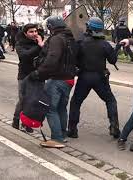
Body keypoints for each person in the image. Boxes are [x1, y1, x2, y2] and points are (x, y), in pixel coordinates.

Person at [68, 17, 121, 139]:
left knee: (76, 102)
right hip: (100, 78)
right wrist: (117, 48)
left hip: (84, 77)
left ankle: (72, 130)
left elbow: (73, 58)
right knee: (110, 100)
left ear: (88, 28)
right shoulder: (105, 44)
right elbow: (113, 60)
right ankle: (114, 127)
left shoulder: (80, 41)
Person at [28, 16, 77, 147]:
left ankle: (57, 139)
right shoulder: (69, 38)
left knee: (50, 108)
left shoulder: (56, 39)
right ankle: (62, 134)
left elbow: (52, 59)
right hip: (69, 79)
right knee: (61, 108)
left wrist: (38, 73)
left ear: (51, 27)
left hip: (57, 78)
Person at [12, 24, 43, 132]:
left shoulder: (39, 41)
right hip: (24, 75)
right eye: (31, 32)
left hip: (37, 75)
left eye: (35, 31)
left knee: (33, 100)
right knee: (23, 99)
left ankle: (27, 123)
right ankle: (16, 119)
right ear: (25, 33)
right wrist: (39, 46)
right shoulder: (20, 43)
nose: (34, 33)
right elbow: (24, 56)